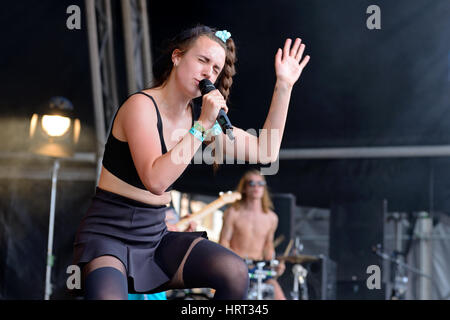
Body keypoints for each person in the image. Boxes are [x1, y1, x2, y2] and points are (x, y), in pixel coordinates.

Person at [72, 24, 310, 300]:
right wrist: (200, 127)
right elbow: (156, 181)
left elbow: (265, 152)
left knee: (234, 271)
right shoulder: (141, 106)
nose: (209, 72)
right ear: (177, 57)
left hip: (154, 236)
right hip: (109, 234)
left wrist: (284, 86)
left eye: (216, 69)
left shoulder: (199, 118)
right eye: (203, 60)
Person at [219, 170, 287, 300]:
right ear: (244, 188)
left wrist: (274, 264)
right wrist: (237, 260)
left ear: (264, 188)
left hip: (259, 270)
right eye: (252, 183)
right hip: (237, 268)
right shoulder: (233, 213)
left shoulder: (271, 218)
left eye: (260, 183)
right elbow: (223, 242)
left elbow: (268, 245)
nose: (257, 187)